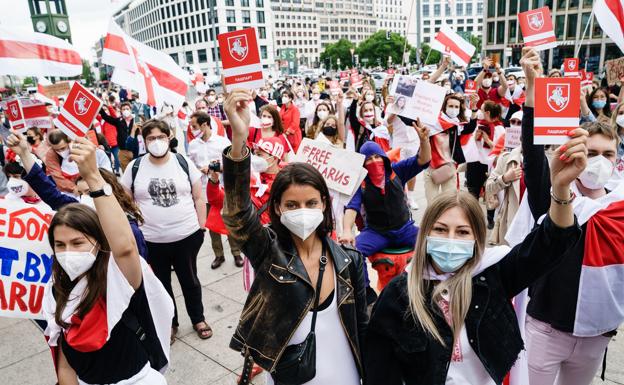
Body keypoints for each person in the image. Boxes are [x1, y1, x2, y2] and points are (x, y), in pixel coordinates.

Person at [363, 130, 584, 384]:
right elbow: (379, 373)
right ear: (425, 235)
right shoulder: (399, 294)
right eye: (441, 229)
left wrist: (561, 187)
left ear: (477, 239)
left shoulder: (494, 275)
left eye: (463, 232)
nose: (451, 239)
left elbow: (551, 242)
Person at [221, 89, 368, 385]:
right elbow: (237, 214)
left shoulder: (349, 262)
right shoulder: (269, 252)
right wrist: (239, 140)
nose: (302, 211)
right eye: (292, 204)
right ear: (277, 207)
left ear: (324, 204)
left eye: (311, 203)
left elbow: (362, 327)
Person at [515, 48, 624, 385]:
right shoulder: (554, 193)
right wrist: (533, 92)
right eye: (591, 153)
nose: (600, 161)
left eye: (607, 153)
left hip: (596, 335)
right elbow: (533, 158)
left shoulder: (621, 204)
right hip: (546, 330)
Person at [41, 137, 174, 385]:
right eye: (60, 245)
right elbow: (65, 359)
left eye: (78, 243)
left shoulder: (117, 276)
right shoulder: (56, 289)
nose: (68, 251)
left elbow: (124, 248)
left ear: (99, 242)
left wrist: (93, 176)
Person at [121, 119, 211, 342]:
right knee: (161, 286)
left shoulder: (183, 162)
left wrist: (201, 227)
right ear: (145, 141)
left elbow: (199, 197)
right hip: (152, 240)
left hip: (187, 236)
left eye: (161, 137)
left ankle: (198, 318)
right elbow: (125, 202)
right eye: (151, 138)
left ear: (169, 137)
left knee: (190, 280)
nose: (157, 142)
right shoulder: (135, 167)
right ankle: (170, 324)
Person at [8, 130, 149, 259]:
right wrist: (24, 154)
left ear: (110, 191)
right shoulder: (80, 210)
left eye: (91, 192)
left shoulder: (129, 229)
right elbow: (49, 192)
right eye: (81, 193)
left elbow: (138, 272)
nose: (86, 198)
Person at [341, 125, 431, 302]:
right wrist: (346, 231)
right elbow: (351, 208)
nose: (374, 162)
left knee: (432, 244)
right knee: (351, 253)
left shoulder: (398, 170)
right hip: (376, 233)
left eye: (377, 157)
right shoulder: (361, 183)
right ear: (362, 164)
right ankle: (366, 293)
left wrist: (424, 140)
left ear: (383, 157)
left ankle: (428, 285)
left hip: (405, 229)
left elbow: (423, 160)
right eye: (368, 160)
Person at [186, 111, 238, 269]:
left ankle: (236, 253)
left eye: (194, 126)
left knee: (231, 221)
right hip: (204, 191)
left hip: (223, 188)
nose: (192, 129)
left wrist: (216, 168)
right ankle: (218, 255)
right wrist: (198, 171)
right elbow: (190, 166)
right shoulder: (193, 145)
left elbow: (232, 163)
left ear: (204, 124)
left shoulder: (222, 142)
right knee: (212, 224)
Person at [424, 94, 478, 203]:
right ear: (444, 107)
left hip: (449, 167)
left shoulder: (458, 125)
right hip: (431, 167)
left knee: (450, 202)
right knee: (432, 204)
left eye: (456, 107)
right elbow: (410, 121)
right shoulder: (433, 122)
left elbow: (471, 127)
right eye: (451, 106)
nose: (453, 109)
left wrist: (474, 108)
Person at [485, 110, 524, 246]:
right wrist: (505, 178)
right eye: (513, 122)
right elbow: (489, 185)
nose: (515, 125)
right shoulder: (505, 147)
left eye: (519, 123)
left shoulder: (545, 160)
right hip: (507, 204)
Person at [464, 100, 505, 229]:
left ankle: (490, 218)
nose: (479, 112)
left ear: (487, 112)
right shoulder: (477, 124)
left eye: (481, 110)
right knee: (473, 192)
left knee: (490, 193)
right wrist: (475, 138)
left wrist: (488, 140)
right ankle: (472, 218)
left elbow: (501, 149)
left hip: (490, 164)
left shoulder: (500, 128)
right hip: (475, 162)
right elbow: (470, 144)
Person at [45, 130, 112, 196]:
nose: (60, 151)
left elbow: (105, 171)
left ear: (69, 142)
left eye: (63, 148)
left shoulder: (87, 150)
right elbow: (58, 177)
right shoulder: (51, 155)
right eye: (56, 150)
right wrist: (75, 188)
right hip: (74, 192)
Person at [99, 102, 135, 171]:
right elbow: (107, 118)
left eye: (127, 109)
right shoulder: (119, 121)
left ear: (130, 110)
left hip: (134, 151)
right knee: (126, 172)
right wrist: (101, 109)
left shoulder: (136, 120)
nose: (125, 110)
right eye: (123, 109)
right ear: (121, 111)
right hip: (123, 151)